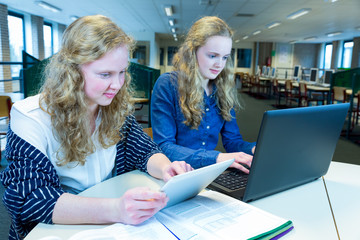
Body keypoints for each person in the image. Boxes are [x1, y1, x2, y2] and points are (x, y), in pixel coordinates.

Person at [0, 15, 192, 240]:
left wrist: (166, 168)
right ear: (72, 72)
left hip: (106, 226)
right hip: (54, 230)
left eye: (122, 72)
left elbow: (145, 151)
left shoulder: (110, 105)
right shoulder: (30, 117)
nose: (118, 85)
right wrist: (117, 209)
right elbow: (31, 198)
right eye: (105, 74)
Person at [151, 16, 256, 173]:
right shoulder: (168, 84)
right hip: (176, 174)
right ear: (193, 51)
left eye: (225, 57)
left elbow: (232, 141)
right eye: (213, 56)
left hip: (208, 173)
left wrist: (254, 149)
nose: (219, 64)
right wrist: (216, 158)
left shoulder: (222, 88)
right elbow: (164, 147)